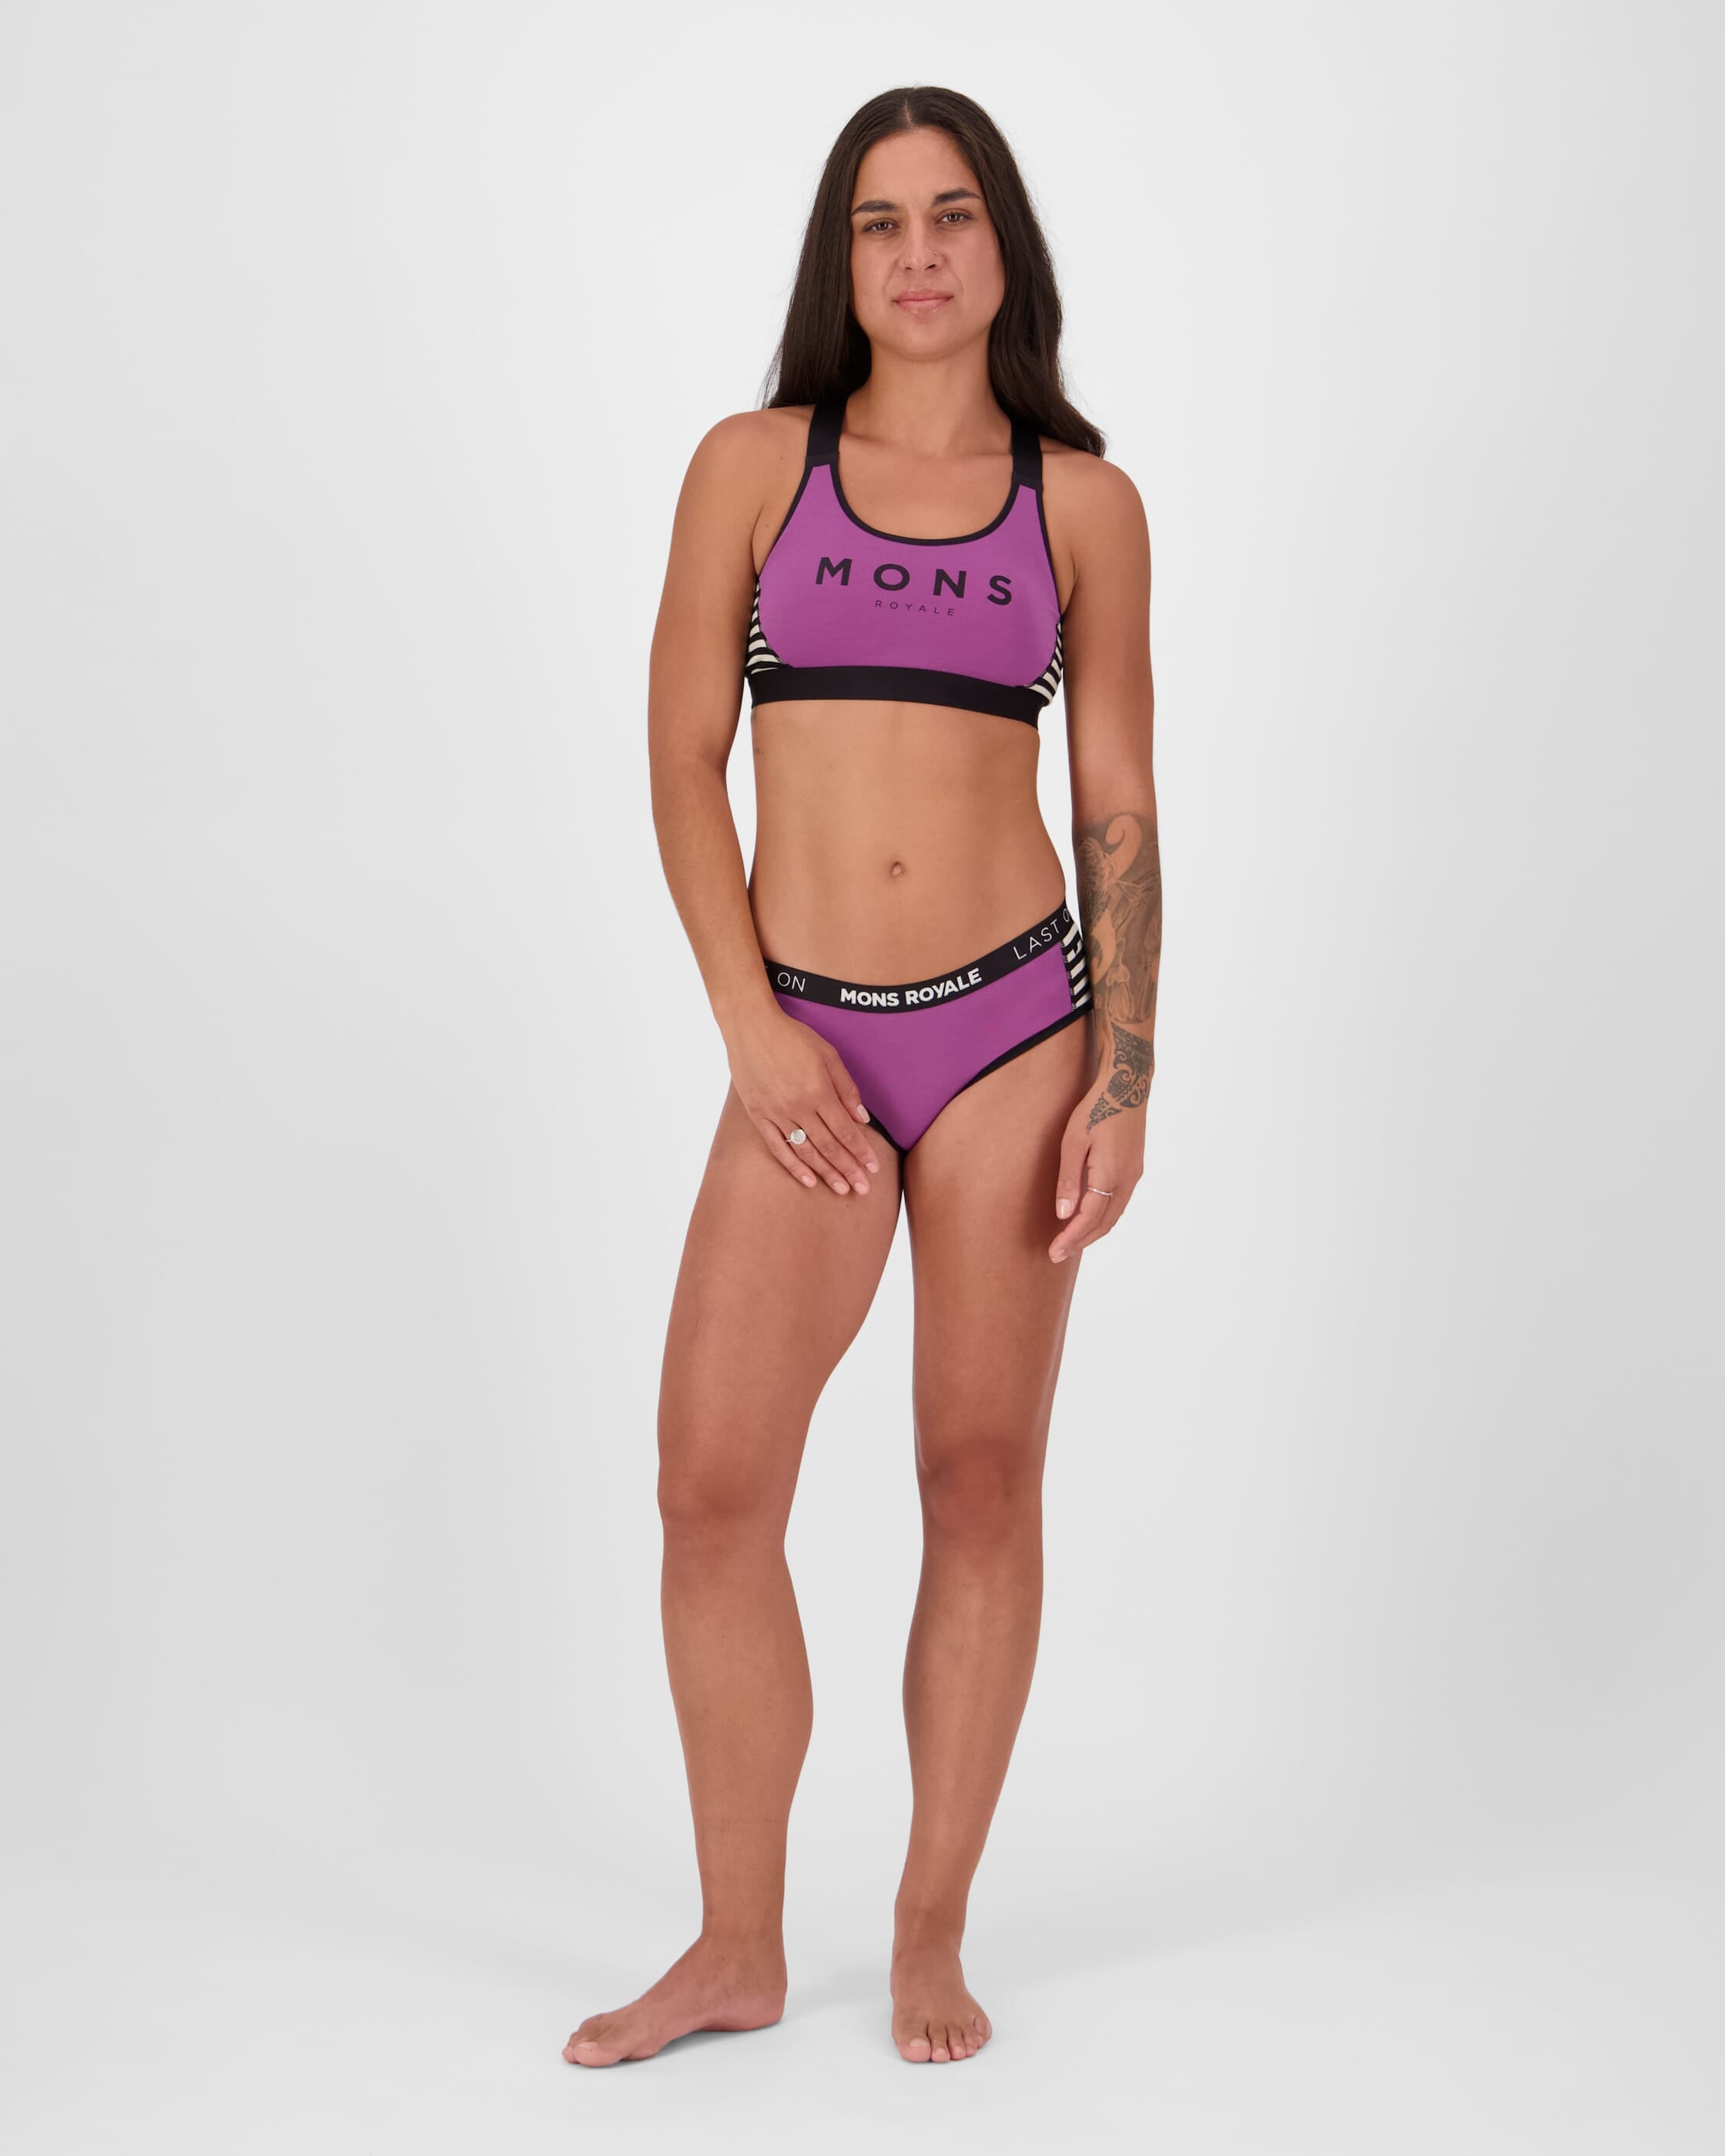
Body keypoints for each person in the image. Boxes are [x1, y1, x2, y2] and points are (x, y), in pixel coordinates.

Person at [565, 83, 1159, 2071]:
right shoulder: (753, 467)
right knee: (710, 1489)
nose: (918, 253)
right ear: (844, 261)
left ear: (1004, 250)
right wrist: (750, 1027)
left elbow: (1118, 801)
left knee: (979, 1483)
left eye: (953, 215)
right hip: (803, 1037)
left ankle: (928, 1927)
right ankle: (737, 1944)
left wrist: (1126, 1075)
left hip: (1011, 1035)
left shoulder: (1083, 505)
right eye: (881, 222)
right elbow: (680, 759)